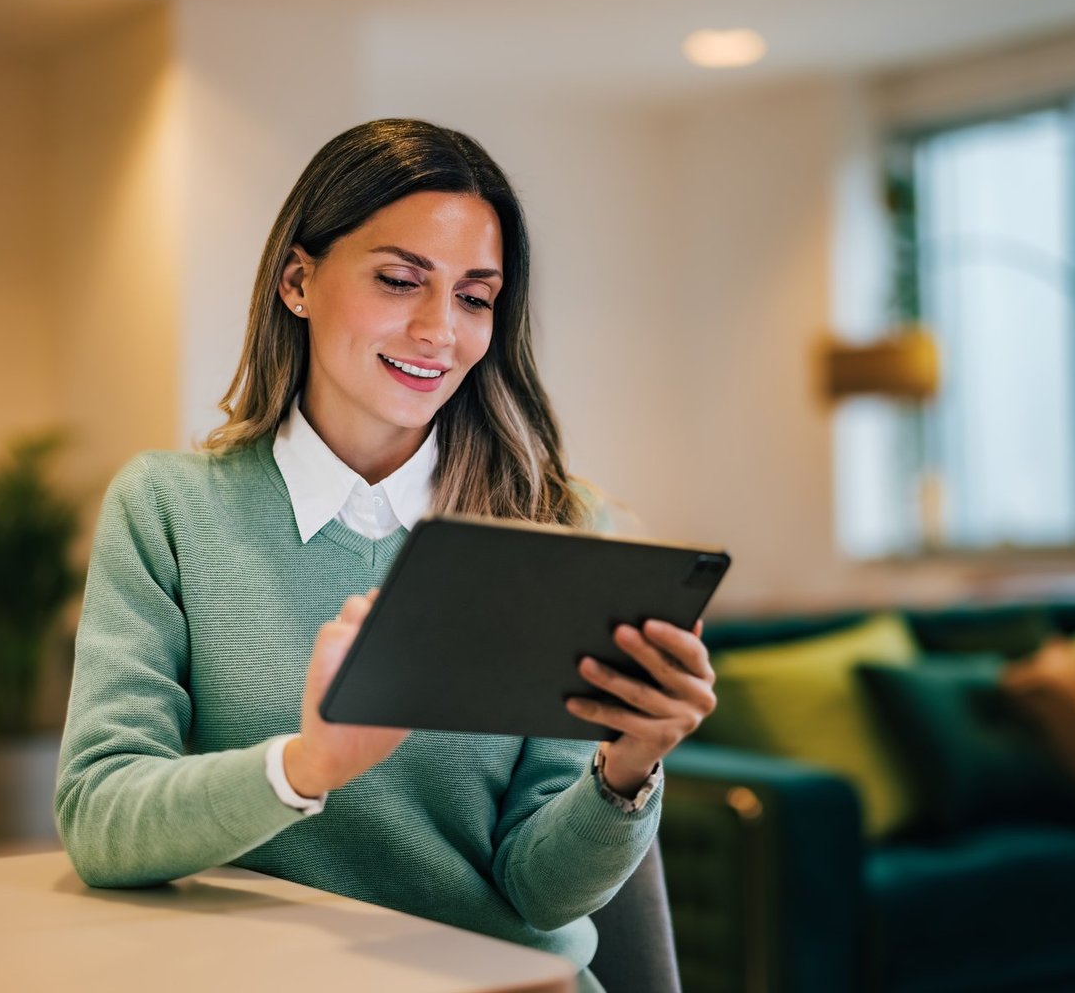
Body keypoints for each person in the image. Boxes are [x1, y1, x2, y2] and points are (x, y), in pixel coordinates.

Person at [54, 118, 716, 992]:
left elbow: (543, 893)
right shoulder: (170, 508)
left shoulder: (560, 529)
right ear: (299, 280)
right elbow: (100, 820)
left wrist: (627, 767)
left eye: (475, 297)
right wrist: (305, 768)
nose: (440, 331)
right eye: (402, 280)